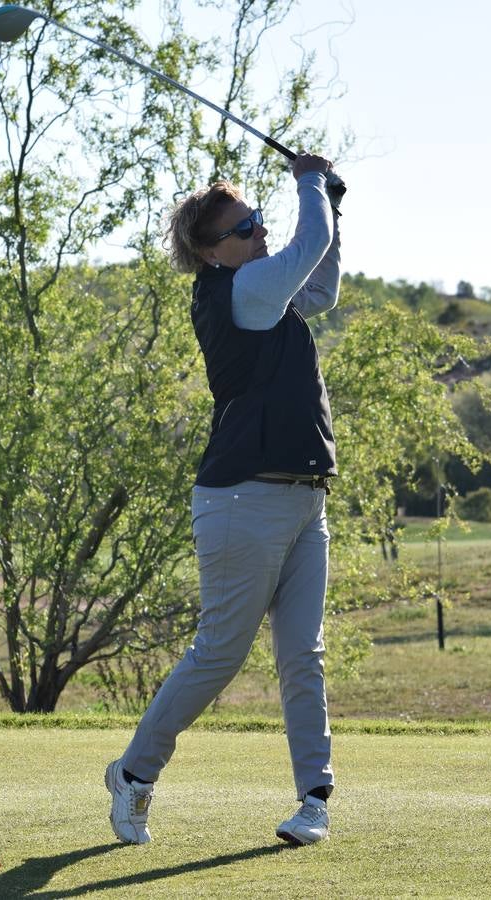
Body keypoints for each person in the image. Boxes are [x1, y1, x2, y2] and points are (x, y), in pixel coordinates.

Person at [106, 154, 343, 847]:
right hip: (241, 499)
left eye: (259, 222)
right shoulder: (238, 291)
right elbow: (309, 247)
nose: (259, 235)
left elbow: (320, 284)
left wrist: (332, 197)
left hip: (304, 500)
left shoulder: (263, 287)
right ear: (211, 254)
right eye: (245, 230)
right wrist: (309, 185)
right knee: (219, 653)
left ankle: (314, 800)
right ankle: (135, 774)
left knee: (304, 655)